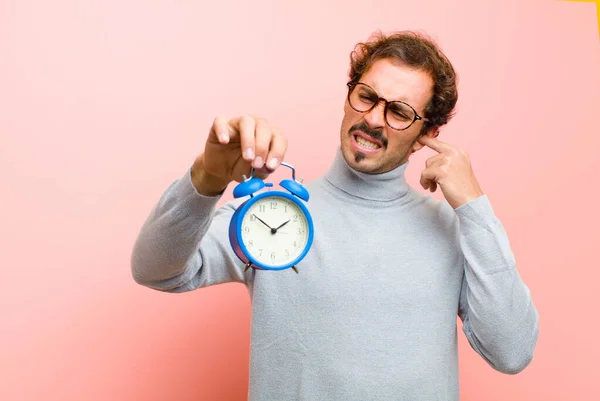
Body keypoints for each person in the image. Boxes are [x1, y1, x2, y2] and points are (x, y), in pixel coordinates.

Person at [131, 30, 539, 401]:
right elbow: (155, 270)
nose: (374, 119)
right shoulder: (273, 215)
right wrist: (207, 176)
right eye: (366, 96)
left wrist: (474, 207)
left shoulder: (453, 230)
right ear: (348, 96)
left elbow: (512, 351)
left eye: (399, 111)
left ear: (423, 138)